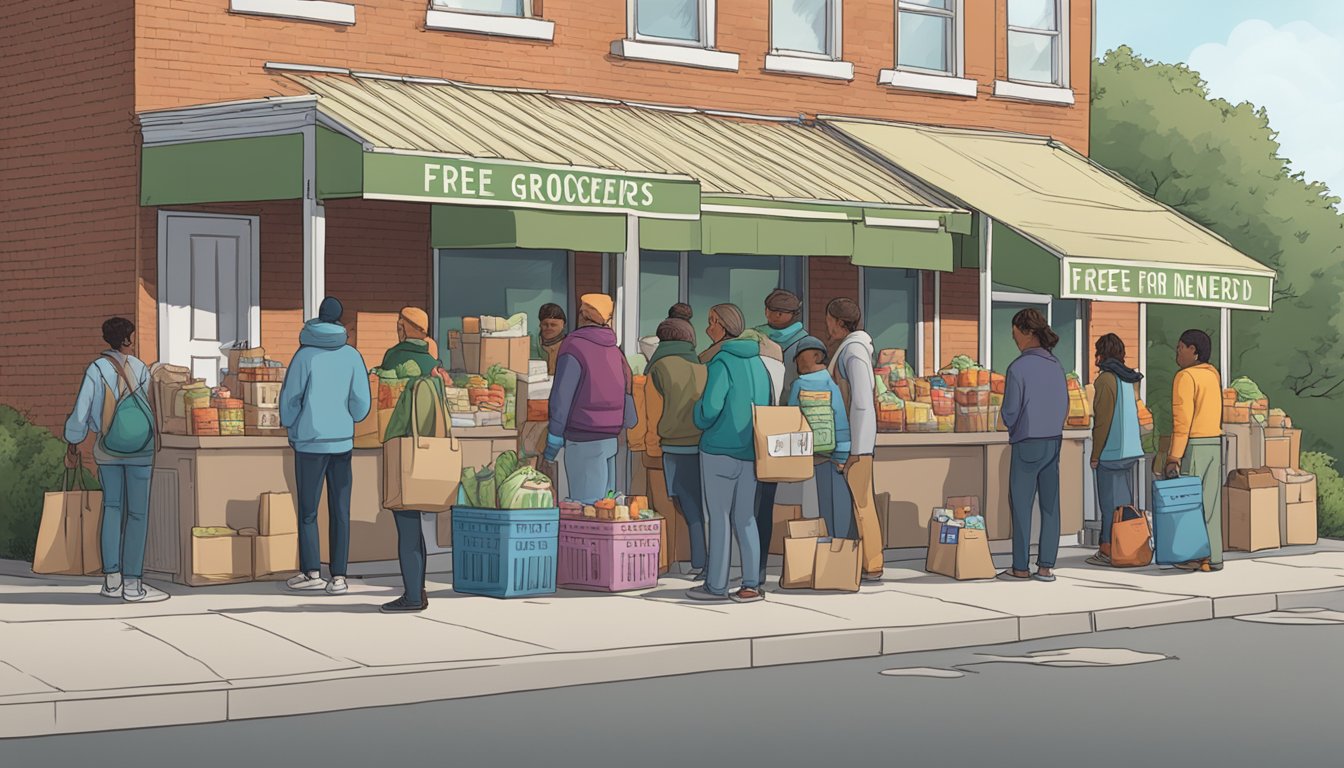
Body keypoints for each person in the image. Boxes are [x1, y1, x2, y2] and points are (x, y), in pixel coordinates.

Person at [64, 317, 167, 603]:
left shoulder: (96, 369)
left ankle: (111, 580)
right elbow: (152, 407)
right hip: (141, 451)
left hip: (107, 450)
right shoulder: (140, 368)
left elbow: (81, 411)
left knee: (112, 509)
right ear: (127, 340)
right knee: (137, 515)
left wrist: (73, 440)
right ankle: (133, 583)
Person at [279, 297, 372, 596]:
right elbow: (361, 404)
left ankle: (311, 572)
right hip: (342, 442)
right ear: (340, 320)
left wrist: (292, 426)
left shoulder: (304, 356)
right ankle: (340, 576)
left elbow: (290, 399)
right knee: (340, 510)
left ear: (317, 318)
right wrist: (348, 419)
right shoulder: (352, 356)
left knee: (308, 510)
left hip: (309, 442)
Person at [688, 304, 771, 603]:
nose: (708, 328)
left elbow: (710, 408)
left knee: (719, 518)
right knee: (746, 517)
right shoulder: (759, 364)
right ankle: (751, 584)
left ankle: (717, 584)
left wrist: (696, 414)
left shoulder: (721, 362)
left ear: (724, 327)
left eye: (712, 322)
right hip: (750, 450)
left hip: (718, 450)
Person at [749, 289, 819, 585]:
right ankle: (758, 566)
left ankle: (772, 567)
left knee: (778, 501)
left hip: (787, 427)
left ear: (793, 314)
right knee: (756, 501)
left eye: (781, 312)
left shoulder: (806, 344)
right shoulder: (752, 337)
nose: (774, 316)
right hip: (756, 424)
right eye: (770, 310)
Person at [377, 307, 442, 613]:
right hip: (428, 450)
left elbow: (388, 406)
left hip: (403, 447)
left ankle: (413, 595)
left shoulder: (394, 358)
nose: (397, 329)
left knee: (406, 527)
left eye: (399, 324)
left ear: (407, 328)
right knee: (417, 527)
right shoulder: (433, 364)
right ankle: (419, 589)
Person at [543, 294, 636, 504]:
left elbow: (561, 397)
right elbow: (627, 387)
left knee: (586, 511)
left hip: (583, 437)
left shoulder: (574, 345)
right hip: (611, 439)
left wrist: (553, 442)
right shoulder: (613, 349)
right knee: (606, 507)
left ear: (582, 316)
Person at [997, 308, 1068, 583]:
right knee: (1051, 505)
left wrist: (1011, 425)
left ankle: (1020, 567)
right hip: (1053, 441)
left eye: (1016, 335)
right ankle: (1047, 566)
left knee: (1021, 505)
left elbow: (1010, 411)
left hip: (1026, 441)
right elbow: (1064, 405)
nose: (1014, 341)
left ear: (1028, 333)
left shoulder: (1018, 367)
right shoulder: (1056, 365)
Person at [825, 298, 884, 583]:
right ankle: (862, 561)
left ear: (837, 321)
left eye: (829, 320)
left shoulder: (853, 352)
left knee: (862, 504)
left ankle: (872, 564)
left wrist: (857, 450)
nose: (827, 326)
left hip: (857, 444)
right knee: (858, 504)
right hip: (854, 442)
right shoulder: (851, 350)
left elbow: (861, 403)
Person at [647, 318, 710, 580]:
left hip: (674, 446)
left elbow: (651, 411)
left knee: (687, 505)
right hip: (703, 444)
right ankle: (705, 559)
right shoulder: (702, 366)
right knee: (703, 504)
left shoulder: (658, 368)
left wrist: (651, 446)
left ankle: (701, 560)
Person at [1165, 329, 1224, 573]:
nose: (1177, 352)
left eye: (1181, 347)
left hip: (1194, 446)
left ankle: (1193, 555)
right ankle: (1213, 555)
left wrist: (1173, 457)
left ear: (1193, 350)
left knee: (1190, 504)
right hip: (1214, 444)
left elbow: (1182, 421)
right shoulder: (1213, 375)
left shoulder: (1185, 377)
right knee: (1210, 504)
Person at [1086, 333, 1145, 567]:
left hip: (1110, 452)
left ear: (1101, 353)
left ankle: (1108, 550)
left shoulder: (1105, 380)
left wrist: (1095, 454)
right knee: (1123, 504)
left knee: (1108, 506)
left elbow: (1102, 422)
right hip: (1130, 450)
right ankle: (1127, 546)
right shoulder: (1128, 379)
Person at [787, 337, 853, 539]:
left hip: (818, 455)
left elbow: (790, 417)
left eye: (800, 357)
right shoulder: (830, 383)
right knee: (837, 505)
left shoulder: (800, 385)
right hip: (832, 453)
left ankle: (834, 550)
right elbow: (840, 417)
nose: (798, 362)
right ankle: (837, 551)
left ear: (817, 355)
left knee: (828, 504)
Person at [531, 303, 568, 376]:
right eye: (545, 324)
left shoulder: (570, 344)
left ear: (563, 325)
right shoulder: (532, 343)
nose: (549, 328)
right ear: (540, 325)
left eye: (553, 325)